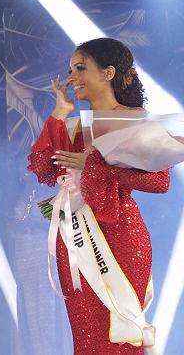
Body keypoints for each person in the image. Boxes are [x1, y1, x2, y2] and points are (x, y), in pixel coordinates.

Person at [27, 38, 170, 354]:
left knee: (118, 333)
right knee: (87, 335)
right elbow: (42, 168)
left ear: (108, 73)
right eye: (70, 70)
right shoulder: (75, 125)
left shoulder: (134, 120)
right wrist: (59, 112)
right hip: (75, 237)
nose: (71, 77)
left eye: (80, 68)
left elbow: (160, 181)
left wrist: (94, 166)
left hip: (121, 234)